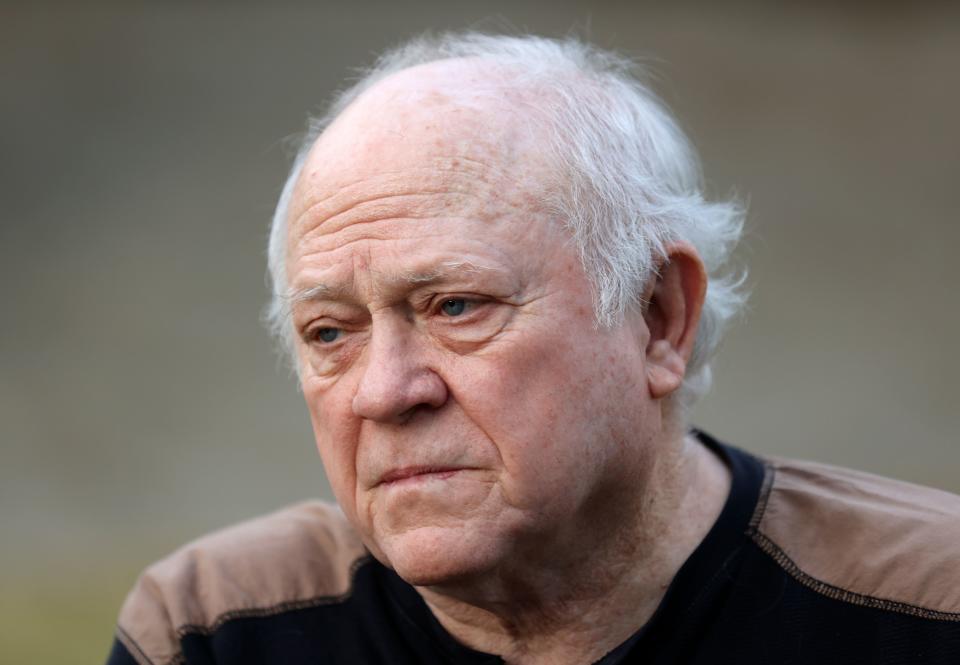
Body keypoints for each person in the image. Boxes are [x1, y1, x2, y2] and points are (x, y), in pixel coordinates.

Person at [105, 33, 960, 665]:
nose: (383, 391)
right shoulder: (213, 633)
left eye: (456, 306)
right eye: (330, 331)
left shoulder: (926, 610)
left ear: (659, 317)